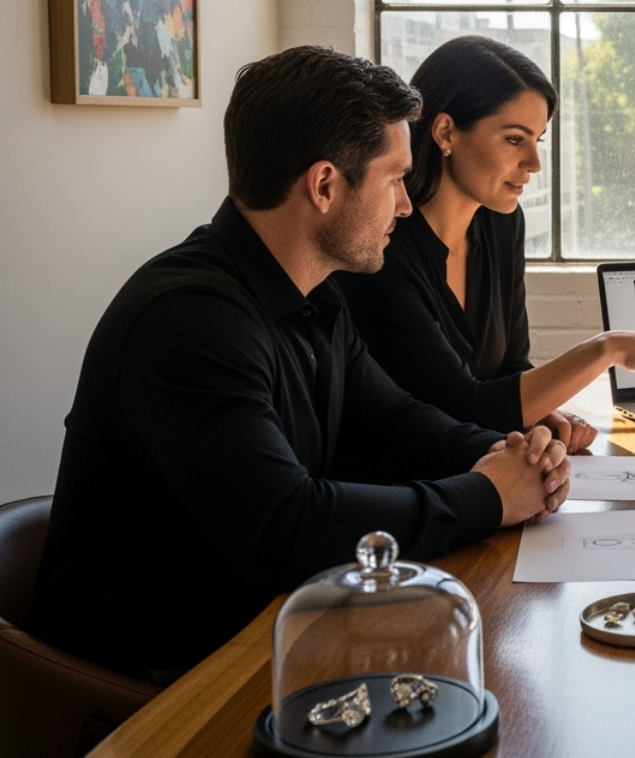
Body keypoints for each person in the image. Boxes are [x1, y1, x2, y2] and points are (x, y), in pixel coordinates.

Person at [29, 47, 571, 681]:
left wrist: (513, 453)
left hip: (270, 637)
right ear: (323, 185)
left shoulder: (315, 296)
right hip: (157, 687)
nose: (404, 205)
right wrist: (485, 495)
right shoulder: (189, 321)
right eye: (394, 179)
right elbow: (286, 529)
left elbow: (391, 420)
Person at [334, 36, 635, 443]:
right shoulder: (381, 248)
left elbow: (510, 365)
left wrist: (541, 411)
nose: (535, 164)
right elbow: (459, 407)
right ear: (446, 132)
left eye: (536, 141)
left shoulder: (501, 223)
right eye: (515, 139)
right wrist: (608, 348)